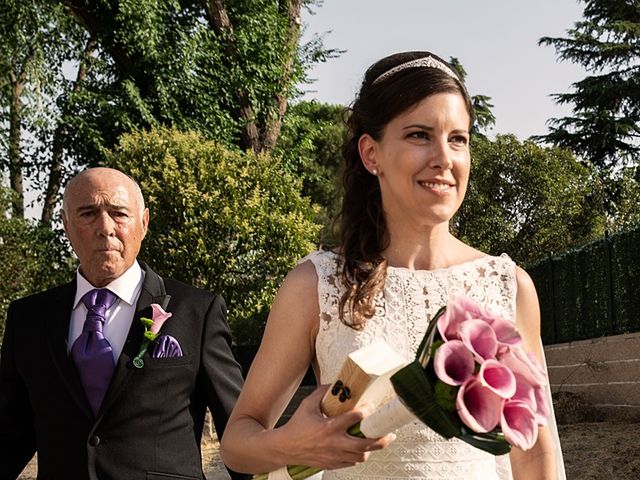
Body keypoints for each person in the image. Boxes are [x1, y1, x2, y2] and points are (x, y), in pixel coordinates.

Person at [220, 51, 565, 479]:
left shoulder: (509, 284)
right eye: (420, 135)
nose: (445, 158)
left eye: (458, 139)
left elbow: (533, 452)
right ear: (371, 154)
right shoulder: (316, 283)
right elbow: (237, 443)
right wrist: (293, 444)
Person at [0, 167, 249, 480]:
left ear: (143, 223)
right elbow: (10, 434)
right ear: (66, 224)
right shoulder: (29, 319)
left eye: (118, 213)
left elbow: (239, 431)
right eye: (88, 213)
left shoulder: (197, 312)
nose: (105, 227)